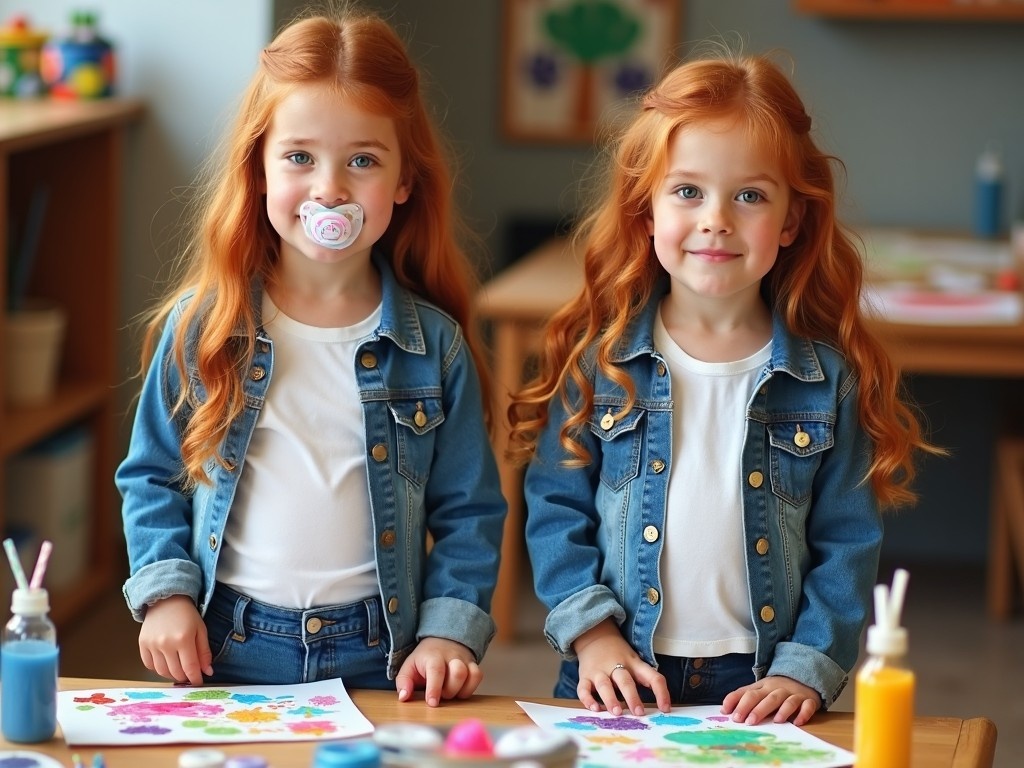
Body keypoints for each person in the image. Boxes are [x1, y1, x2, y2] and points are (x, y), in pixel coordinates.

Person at [508, 51, 940, 726]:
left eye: (750, 196)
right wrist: (592, 638)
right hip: (618, 669)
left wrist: (809, 666)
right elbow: (556, 510)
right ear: (644, 211)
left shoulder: (826, 380)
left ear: (792, 221)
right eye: (687, 192)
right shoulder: (602, 366)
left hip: (763, 682)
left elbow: (847, 544)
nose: (717, 219)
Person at [116, 8, 506, 707]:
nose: (330, 189)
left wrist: (450, 631)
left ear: (404, 181)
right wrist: (164, 594)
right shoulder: (204, 327)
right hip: (227, 645)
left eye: (362, 160)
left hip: (382, 653)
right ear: (260, 171)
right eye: (300, 157)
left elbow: (469, 511)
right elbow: (151, 476)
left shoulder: (434, 346)